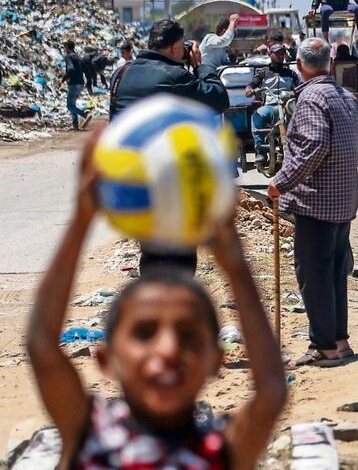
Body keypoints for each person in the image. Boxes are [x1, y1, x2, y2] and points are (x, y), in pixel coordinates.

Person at [26, 133, 287, 469]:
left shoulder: (219, 449)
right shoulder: (90, 435)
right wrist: (81, 219)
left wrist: (235, 265)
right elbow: (43, 348)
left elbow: (270, 394)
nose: (168, 349)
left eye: (188, 335)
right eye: (144, 332)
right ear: (106, 358)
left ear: (216, 360)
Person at [109, 19, 230, 276]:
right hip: (169, 183)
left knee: (151, 253)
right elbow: (219, 99)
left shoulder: (122, 74)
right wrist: (201, 65)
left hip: (132, 183)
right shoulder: (176, 76)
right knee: (181, 259)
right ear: (175, 47)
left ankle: (152, 304)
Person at [268, 38, 358, 367]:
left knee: (313, 273)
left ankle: (324, 347)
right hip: (343, 200)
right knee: (334, 272)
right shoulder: (346, 97)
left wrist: (280, 182)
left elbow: (315, 146)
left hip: (317, 202)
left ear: (299, 65)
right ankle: (339, 340)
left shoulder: (310, 98)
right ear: (329, 64)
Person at [245, 44, 301, 165]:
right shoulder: (263, 73)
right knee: (256, 116)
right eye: (277, 53)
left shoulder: (291, 73)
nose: (281, 55)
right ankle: (261, 152)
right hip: (270, 107)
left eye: (282, 53)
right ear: (270, 55)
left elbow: (299, 88)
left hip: (288, 108)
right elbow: (252, 84)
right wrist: (249, 89)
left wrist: (296, 92)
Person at [62, 41, 91, 130]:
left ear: (67, 47)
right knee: (72, 104)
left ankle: (84, 114)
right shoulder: (78, 57)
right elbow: (86, 70)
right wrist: (88, 83)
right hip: (81, 83)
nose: (64, 49)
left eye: (65, 47)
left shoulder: (68, 57)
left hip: (73, 83)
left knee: (69, 105)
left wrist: (63, 79)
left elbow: (70, 69)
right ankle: (75, 126)